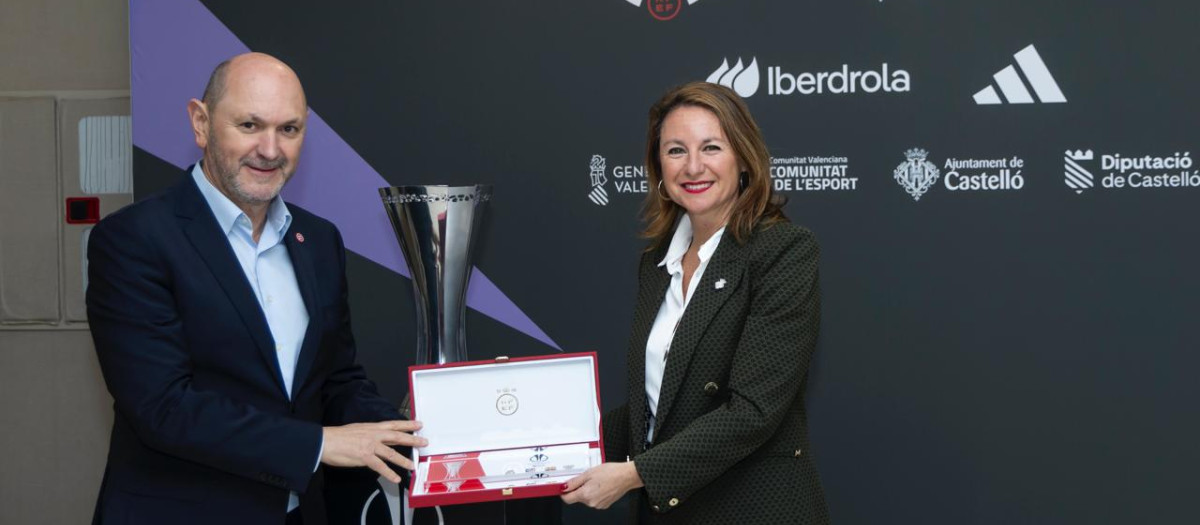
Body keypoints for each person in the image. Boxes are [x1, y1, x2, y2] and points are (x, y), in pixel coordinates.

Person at [86, 53, 425, 525]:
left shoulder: (319, 240)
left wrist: (416, 434)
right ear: (200, 123)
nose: (270, 149)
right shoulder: (134, 240)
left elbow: (336, 378)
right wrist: (321, 443)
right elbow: (163, 407)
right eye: (249, 125)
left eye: (289, 129)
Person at [561, 82, 830, 524]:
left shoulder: (784, 251)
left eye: (711, 147)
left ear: (743, 158)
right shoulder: (658, 263)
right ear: (658, 167)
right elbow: (661, 403)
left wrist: (633, 474)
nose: (693, 166)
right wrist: (553, 445)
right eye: (675, 151)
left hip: (752, 509)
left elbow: (754, 410)